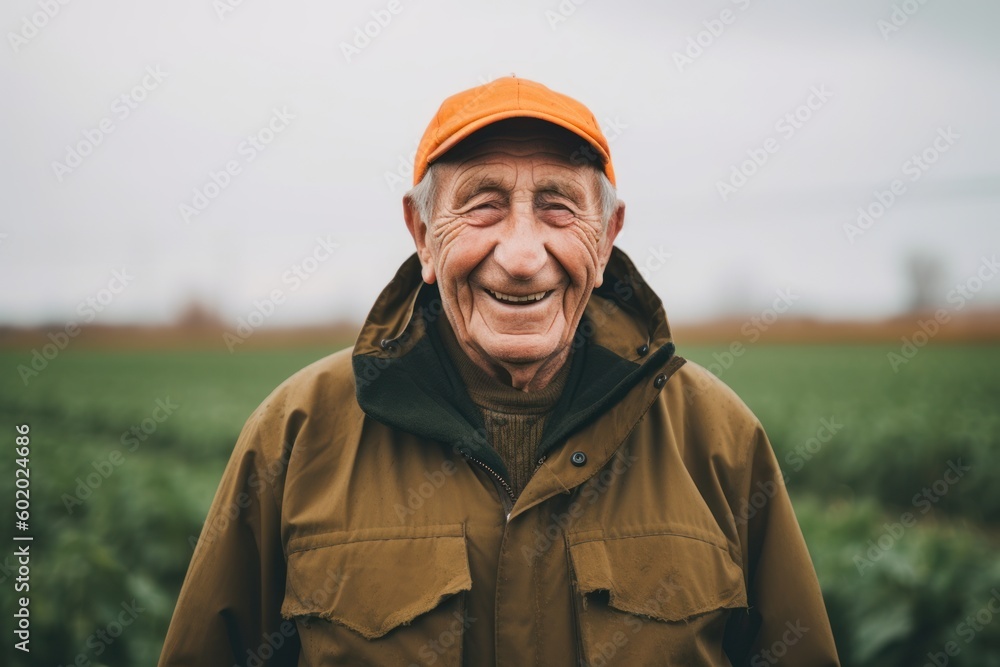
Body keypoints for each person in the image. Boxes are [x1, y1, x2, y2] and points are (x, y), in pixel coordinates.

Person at [159, 76, 840, 666]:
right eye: (483, 203)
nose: (520, 255)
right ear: (422, 234)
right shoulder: (295, 436)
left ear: (606, 237)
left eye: (558, 205)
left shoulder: (718, 441)